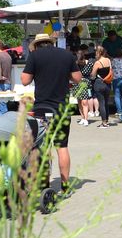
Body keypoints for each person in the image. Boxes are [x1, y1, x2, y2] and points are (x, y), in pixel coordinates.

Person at [21, 33, 81, 193]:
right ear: (50, 43)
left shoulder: (34, 56)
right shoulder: (66, 55)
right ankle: (65, 186)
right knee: (62, 146)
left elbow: (25, 80)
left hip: (42, 108)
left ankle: (44, 184)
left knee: (43, 146)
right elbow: (77, 78)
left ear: (37, 44)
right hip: (62, 107)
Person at [89, 46, 113, 127]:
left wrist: (91, 76)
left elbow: (93, 75)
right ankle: (106, 120)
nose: (95, 54)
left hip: (99, 84)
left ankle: (103, 122)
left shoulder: (98, 63)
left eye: (96, 52)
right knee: (106, 102)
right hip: (108, 83)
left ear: (99, 53)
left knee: (101, 103)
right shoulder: (108, 60)